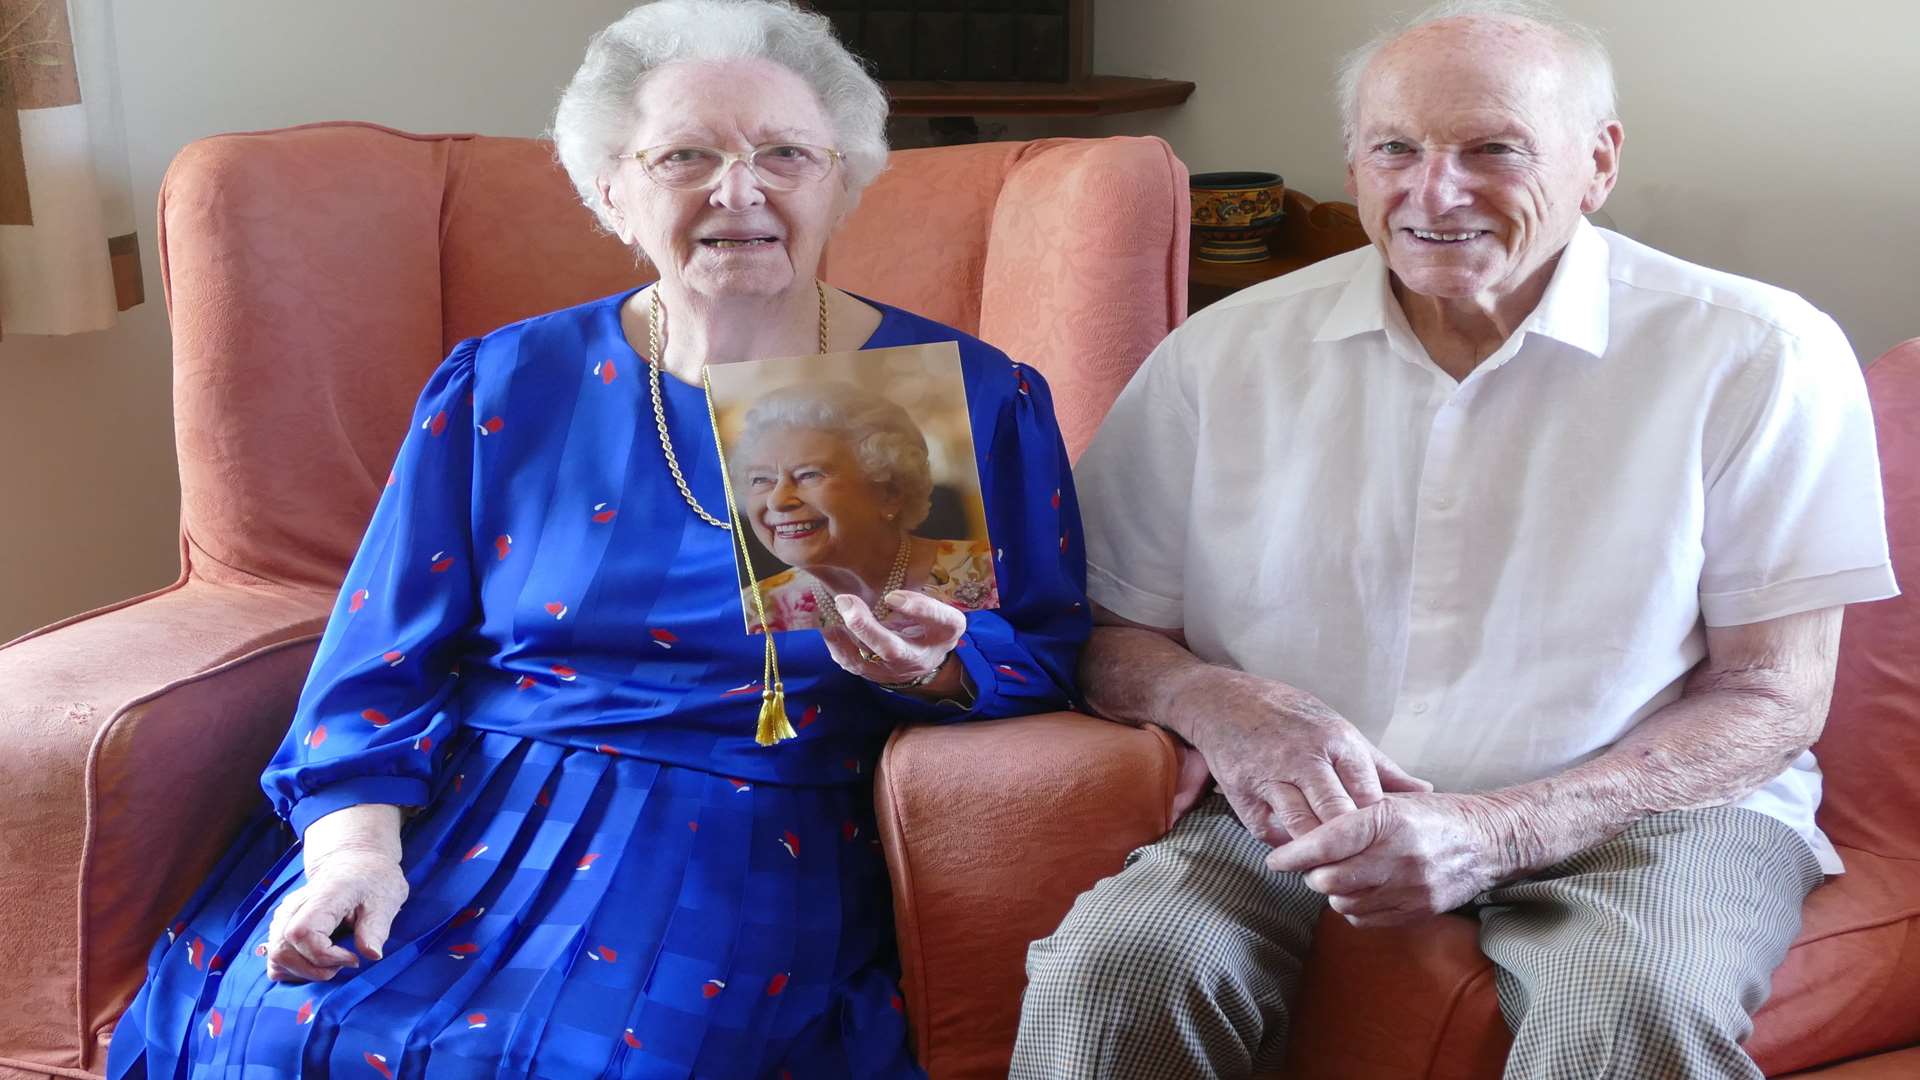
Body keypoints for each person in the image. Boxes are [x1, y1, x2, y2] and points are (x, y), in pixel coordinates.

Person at [106, 2, 1088, 1076]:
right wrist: (352, 850)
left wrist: (942, 665)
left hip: (757, 822)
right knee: (285, 1029)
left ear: (841, 178)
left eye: (786, 155)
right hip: (472, 804)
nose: (739, 191)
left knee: (583, 1057)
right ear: (612, 190)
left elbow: (1049, 649)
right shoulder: (505, 381)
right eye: (687, 156)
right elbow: (380, 650)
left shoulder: (974, 398)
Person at [1014, 2, 1896, 1078]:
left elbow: (1775, 697)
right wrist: (1225, 706)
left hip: (1652, 808)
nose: (1435, 191)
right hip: (1302, 801)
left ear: (1597, 161)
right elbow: (1101, 628)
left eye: (1493, 148)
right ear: (1353, 155)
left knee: (1626, 1017)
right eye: (1397, 148)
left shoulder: (1760, 353)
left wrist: (1504, 828)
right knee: (1112, 975)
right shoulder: (1221, 355)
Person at [733, 381, 1000, 634]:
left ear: (889, 492)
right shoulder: (757, 610)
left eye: (809, 474)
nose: (777, 500)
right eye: (761, 480)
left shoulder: (989, 574)